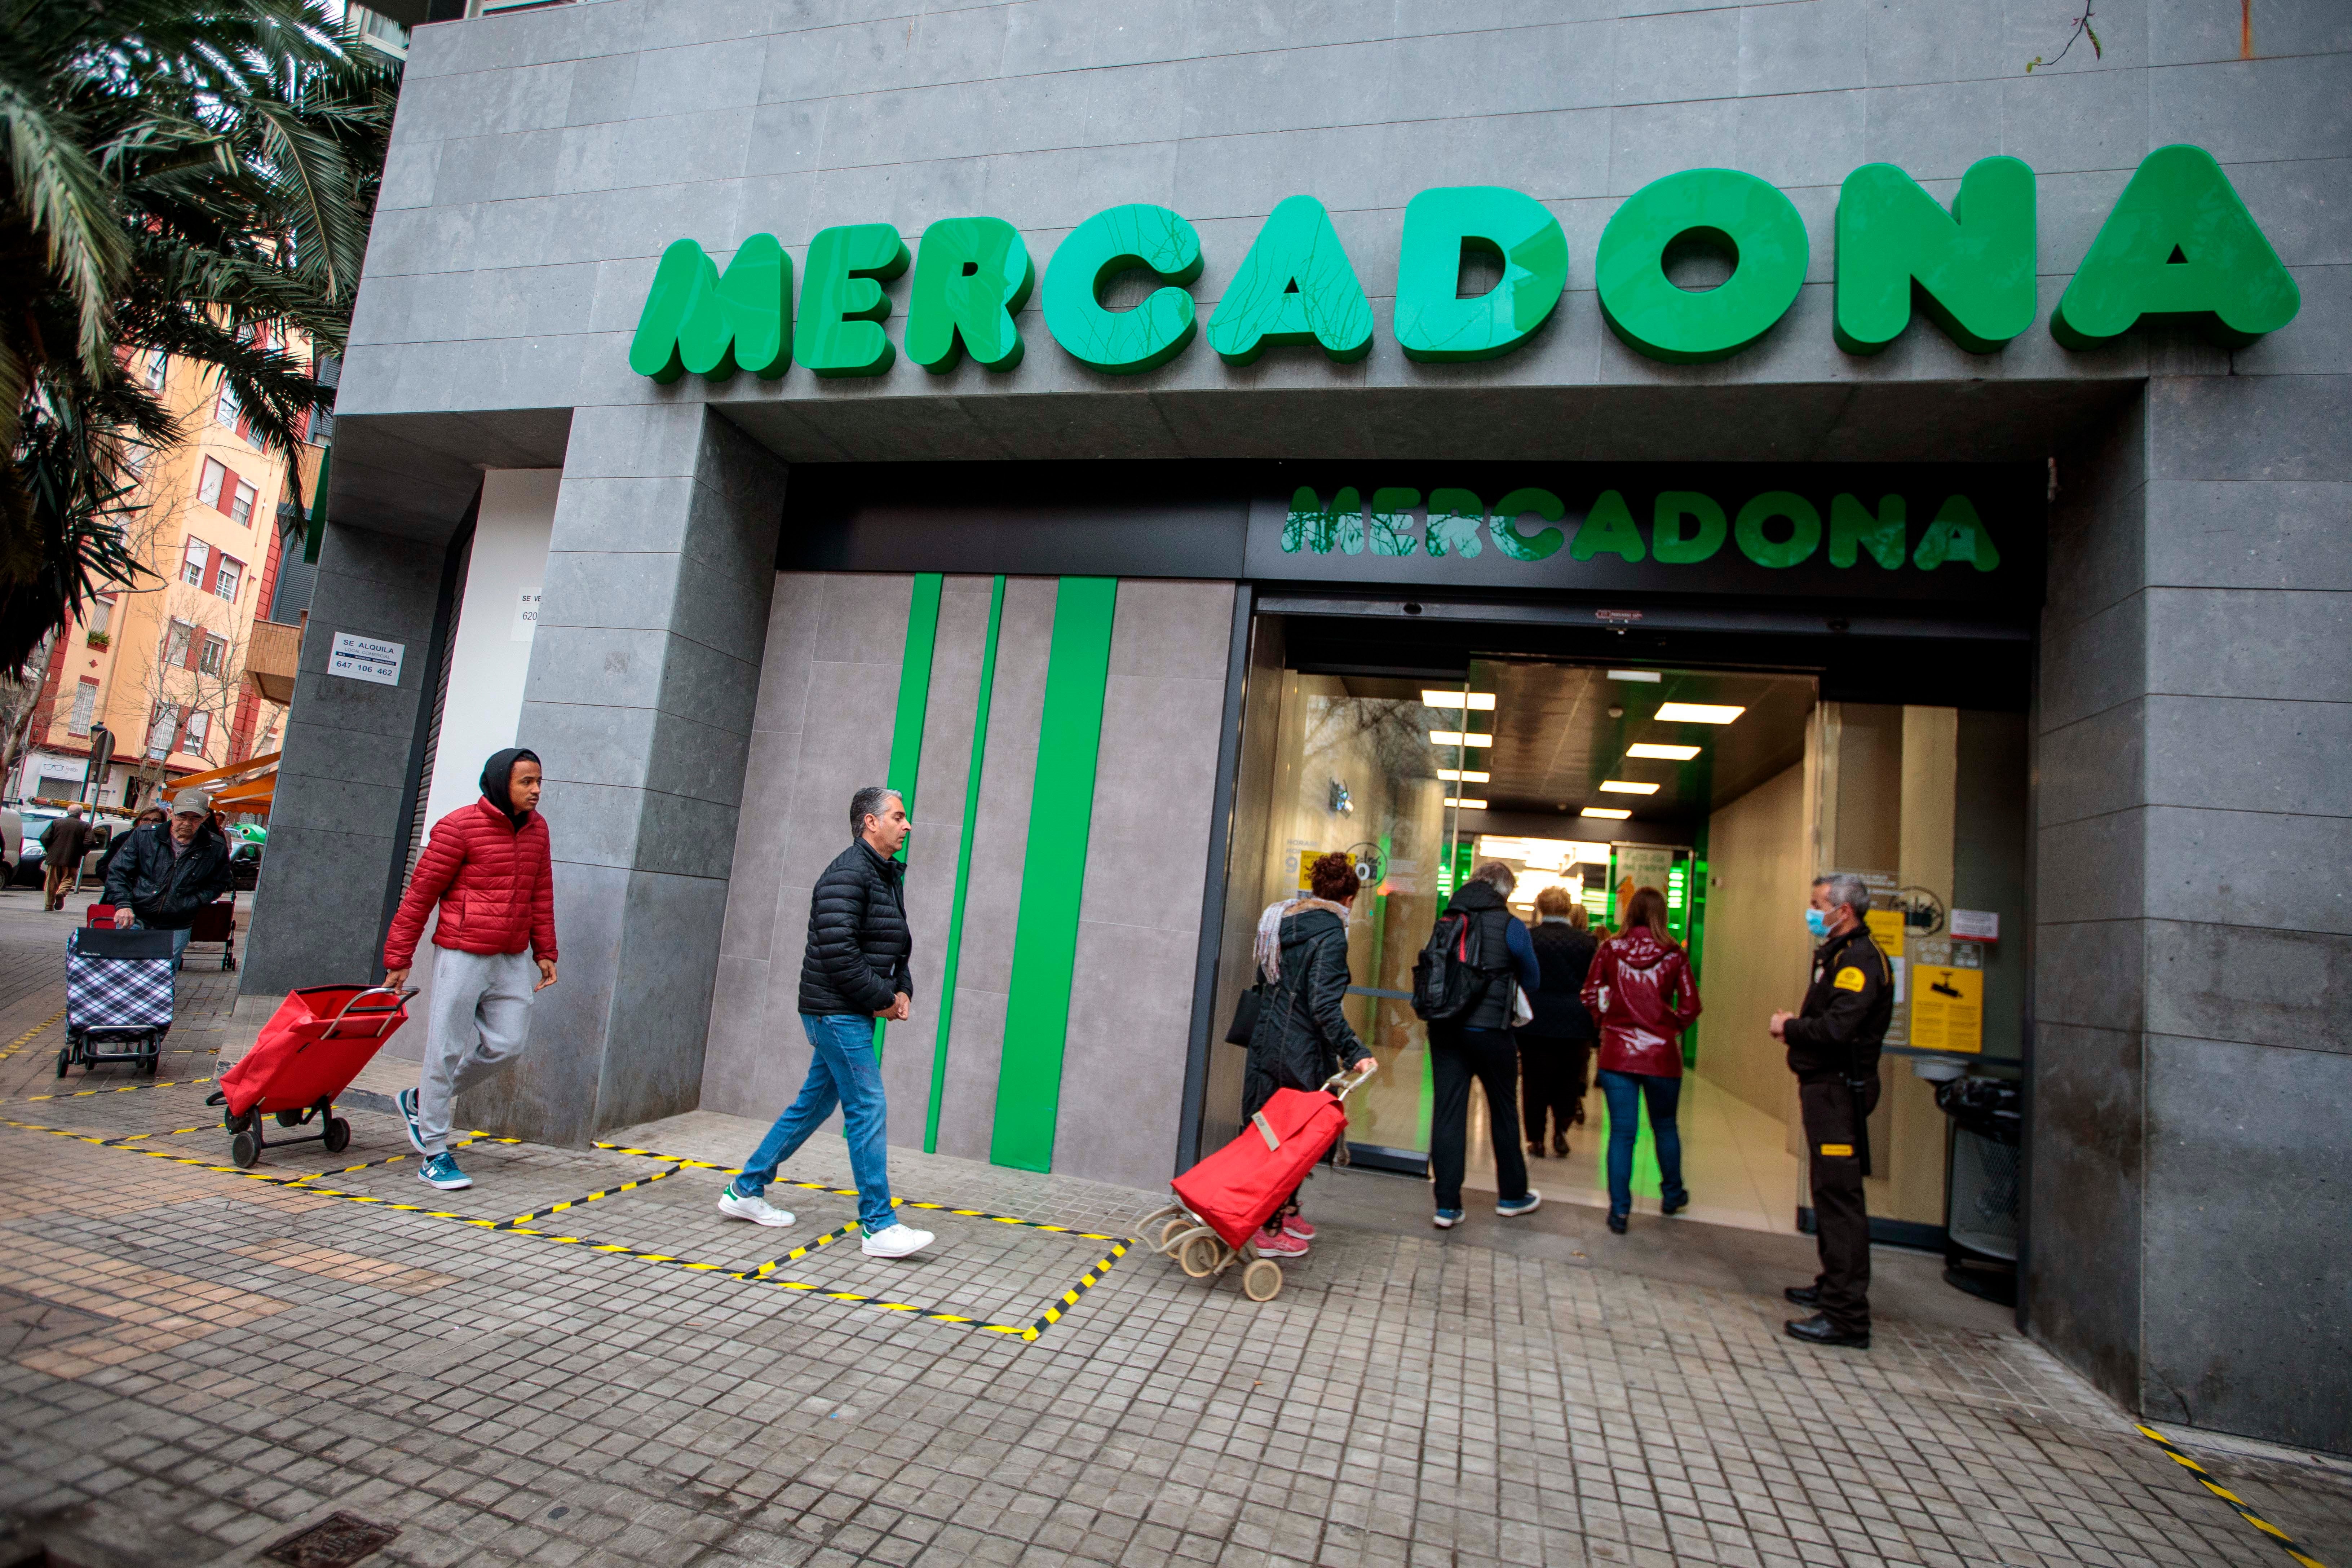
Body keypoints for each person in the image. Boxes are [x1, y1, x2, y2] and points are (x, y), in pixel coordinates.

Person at [715, 786, 935, 1259]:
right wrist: (883, 1000)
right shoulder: (847, 874)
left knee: (813, 1105)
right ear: (870, 822)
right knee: (868, 1106)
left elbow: (895, 944)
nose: (907, 825)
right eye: (898, 816)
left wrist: (903, 990)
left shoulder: (884, 873)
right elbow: (840, 954)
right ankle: (879, 1225)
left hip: (850, 1009)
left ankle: (745, 1190)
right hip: (835, 1012)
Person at [384, 750, 559, 1192]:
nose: (536, 790)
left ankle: (421, 1101)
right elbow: (419, 896)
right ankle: (433, 1151)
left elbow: (541, 892)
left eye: (539, 781)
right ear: (502, 783)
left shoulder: (537, 830)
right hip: (462, 953)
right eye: (527, 782)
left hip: (511, 956)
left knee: (507, 1045)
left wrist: (545, 950)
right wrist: (399, 958)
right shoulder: (458, 827)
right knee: (444, 1048)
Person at [1770, 872, 1894, 1350]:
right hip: (1826, 1088)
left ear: (1844, 911)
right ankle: (1832, 1286)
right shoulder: (1840, 954)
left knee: (1840, 1200)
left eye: (1818, 904)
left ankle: (1846, 1316)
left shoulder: (1859, 959)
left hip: (1838, 1091)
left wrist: (1789, 1027)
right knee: (1827, 1191)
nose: (1812, 911)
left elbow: (1837, 1029)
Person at [1242, 852, 1379, 1259]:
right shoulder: (1331, 935)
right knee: (1292, 1140)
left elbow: (1266, 980)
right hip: (1299, 1051)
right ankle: (1268, 1228)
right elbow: (1323, 1005)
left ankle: (1283, 1209)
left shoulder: (1280, 921)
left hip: (1267, 1040)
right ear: (1349, 899)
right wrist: (1355, 1051)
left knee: (1267, 1132)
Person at [1580, 885, 1702, 1235]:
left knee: (1622, 1133)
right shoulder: (1674, 955)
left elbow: (1589, 994)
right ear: (1661, 915)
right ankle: (1672, 1194)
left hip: (1617, 1055)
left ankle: (1619, 1211)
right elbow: (1690, 1006)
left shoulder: (1610, 949)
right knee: (1665, 1127)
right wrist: (1667, 1028)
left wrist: (1605, 1024)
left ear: (1630, 912)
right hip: (1661, 1057)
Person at [1428, 860, 1544, 1228]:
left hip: (1445, 1029)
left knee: (1448, 1112)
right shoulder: (1511, 926)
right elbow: (1533, 979)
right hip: (1491, 1031)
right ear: (1505, 892)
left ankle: (1447, 1206)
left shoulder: (1447, 919)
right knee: (1504, 1110)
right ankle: (1512, 1196)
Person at [104, 791, 234, 968]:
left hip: (178, 923)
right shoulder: (144, 835)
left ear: (205, 818)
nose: (187, 823)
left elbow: (220, 882)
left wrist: (193, 902)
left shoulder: (215, 846)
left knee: (163, 975)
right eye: (182, 817)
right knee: (126, 971)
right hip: (136, 917)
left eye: (195, 818)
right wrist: (123, 904)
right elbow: (118, 871)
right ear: (171, 813)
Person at [1520, 889, 1597, 1158]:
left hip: (1535, 1020)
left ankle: (1537, 1139)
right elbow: (1593, 982)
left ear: (1540, 908)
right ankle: (1561, 1130)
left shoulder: (1530, 938)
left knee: (1535, 1082)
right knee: (1568, 1079)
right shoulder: (1587, 942)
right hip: (1575, 1022)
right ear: (1568, 909)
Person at [40, 805, 96, 911]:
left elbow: (44, 838)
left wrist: (50, 850)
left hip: (54, 857)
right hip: (72, 858)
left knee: (51, 881)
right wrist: (82, 852)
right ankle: (62, 892)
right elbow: (90, 841)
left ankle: (49, 905)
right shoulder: (85, 826)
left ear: (68, 812)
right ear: (81, 814)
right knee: (69, 878)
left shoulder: (56, 822)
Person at [95, 805, 164, 886]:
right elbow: (103, 865)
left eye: (156, 821)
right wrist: (116, 885)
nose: (151, 823)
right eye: (146, 820)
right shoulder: (124, 839)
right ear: (139, 822)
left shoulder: (167, 843)